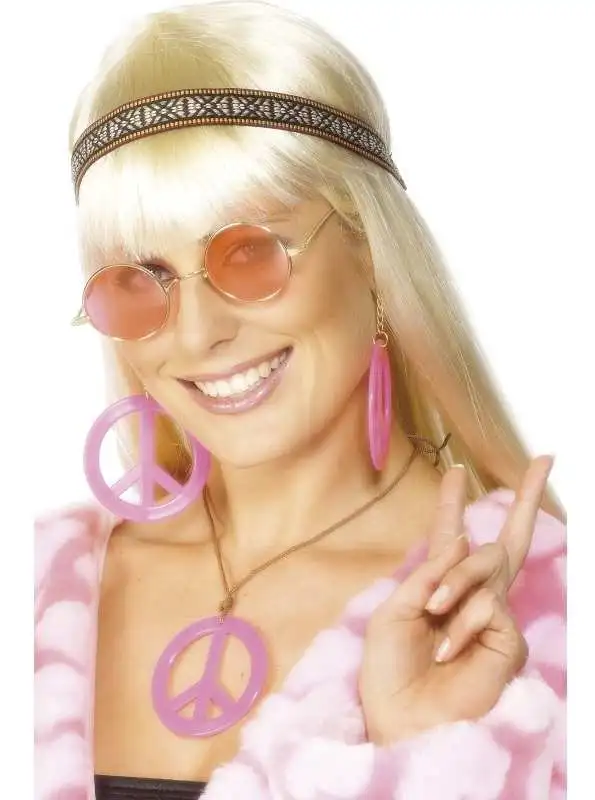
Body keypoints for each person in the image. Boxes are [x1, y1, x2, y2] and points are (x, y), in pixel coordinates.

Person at [34, 1, 566, 798]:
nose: (199, 333)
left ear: (370, 253)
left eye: (250, 254)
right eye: (140, 282)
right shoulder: (37, 587)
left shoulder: (538, 606)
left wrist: (428, 755)